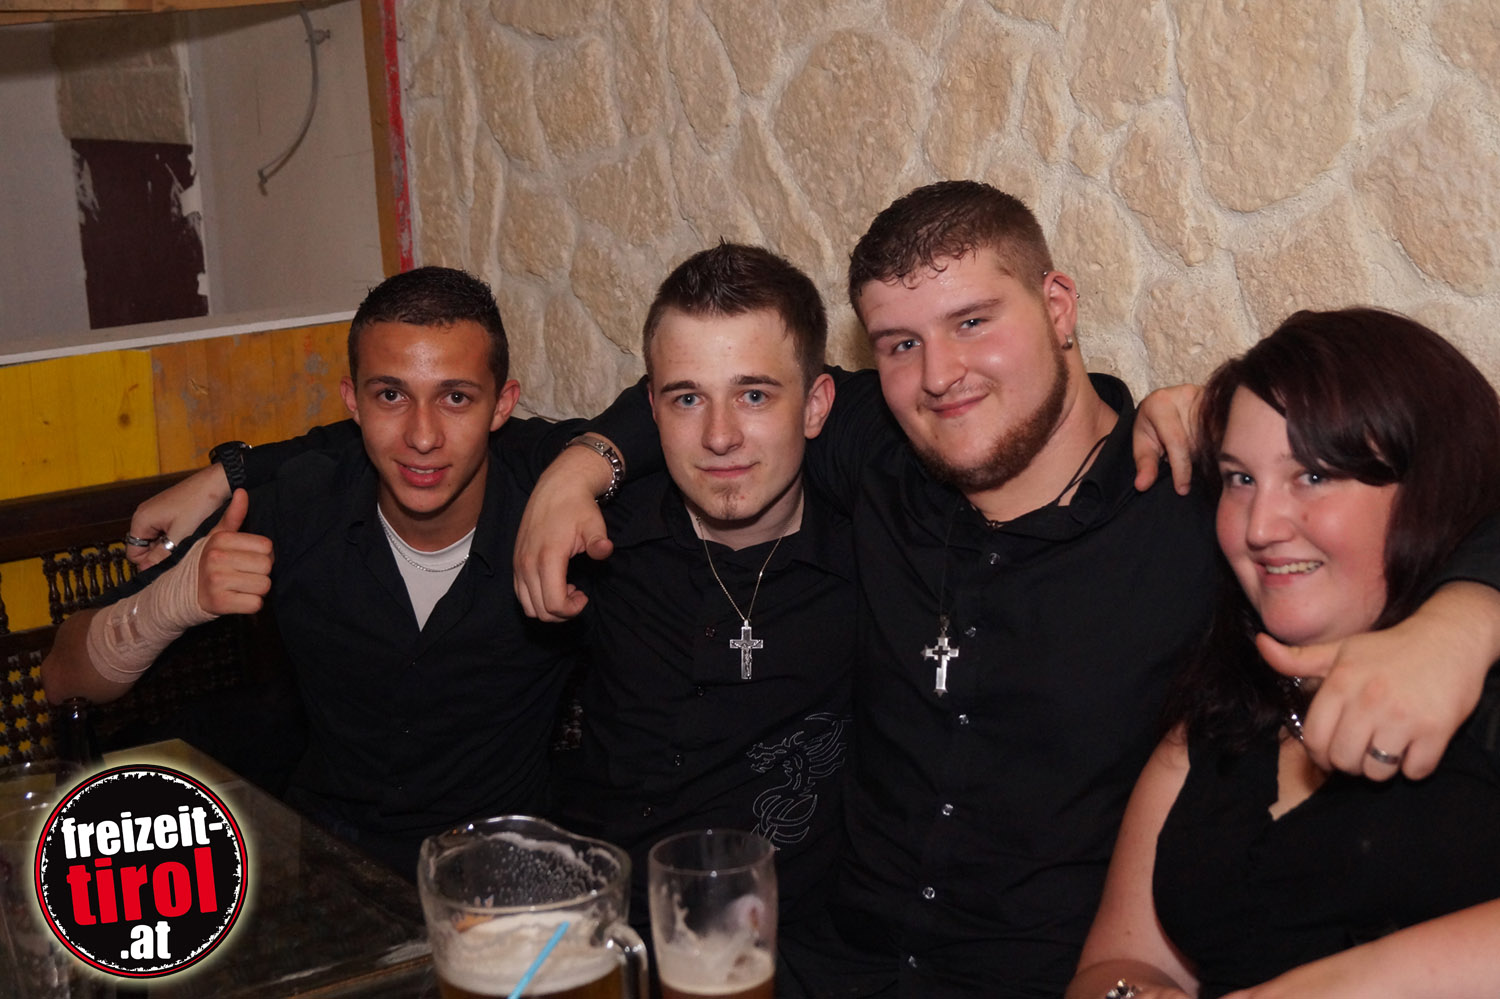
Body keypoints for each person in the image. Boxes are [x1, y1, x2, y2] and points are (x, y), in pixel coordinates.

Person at [512, 182, 1500, 996]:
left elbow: (1439, 491)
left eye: (974, 322)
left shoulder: (1197, 505)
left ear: (1058, 307)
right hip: (829, 968)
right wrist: (582, 463)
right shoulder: (878, 453)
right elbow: (715, 384)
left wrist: (1463, 619)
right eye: (899, 343)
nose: (940, 374)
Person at [43, 266, 579, 877]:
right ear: (353, 401)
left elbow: (632, 429)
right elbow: (62, 679)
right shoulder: (299, 503)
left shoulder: (555, 515)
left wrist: (587, 470)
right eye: (391, 396)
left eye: (455, 397)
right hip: (333, 868)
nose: (423, 436)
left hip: (508, 870)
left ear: (502, 405)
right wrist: (173, 601)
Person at [1067, 308, 1500, 999]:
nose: (1260, 527)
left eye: (1312, 476)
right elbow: (1119, 963)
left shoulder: (1480, 680)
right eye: (1240, 479)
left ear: (1428, 487)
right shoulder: (1219, 716)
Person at [555, 242, 853, 952]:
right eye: (688, 398)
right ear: (650, 412)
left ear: (814, 406)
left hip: (780, 959)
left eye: (754, 395)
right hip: (587, 939)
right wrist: (568, 472)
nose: (720, 436)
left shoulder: (875, 558)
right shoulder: (599, 543)